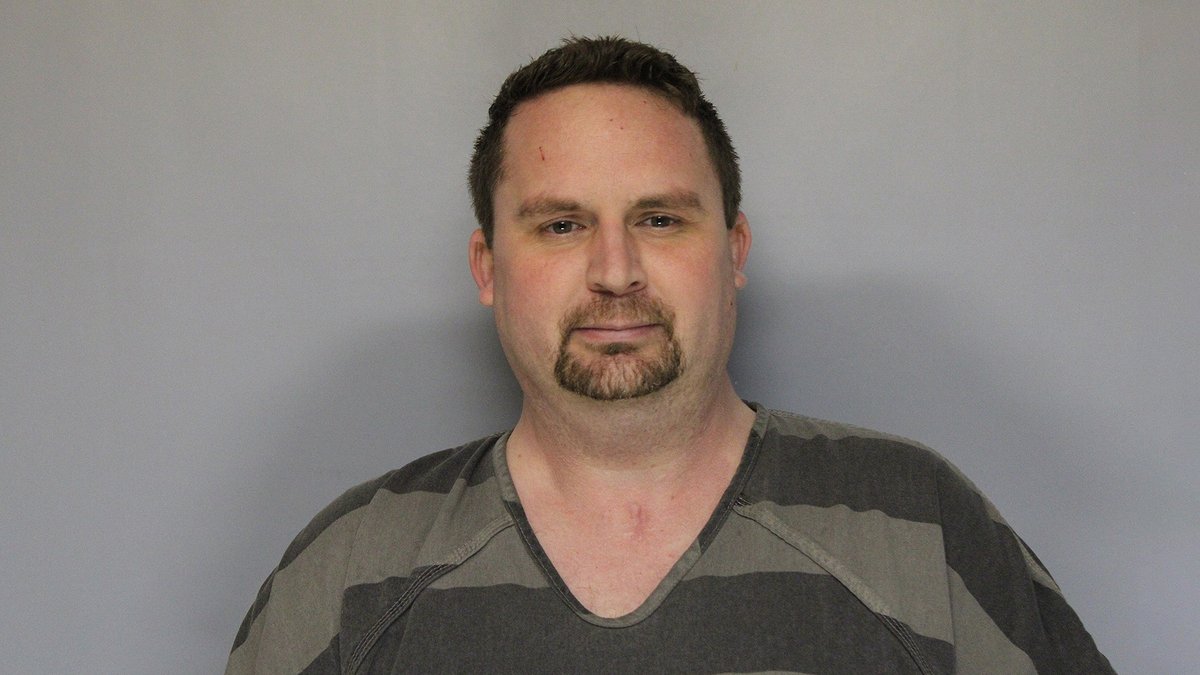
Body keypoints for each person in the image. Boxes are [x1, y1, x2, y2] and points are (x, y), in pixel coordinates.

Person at [225, 36, 1113, 674]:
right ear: (488, 267)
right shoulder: (352, 575)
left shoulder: (919, 533)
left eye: (659, 218)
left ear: (733, 251)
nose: (615, 271)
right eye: (561, 225)